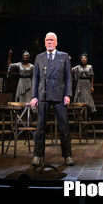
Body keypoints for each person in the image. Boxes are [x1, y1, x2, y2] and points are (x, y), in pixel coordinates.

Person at [30, 32, 73, 167]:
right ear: (44, 42)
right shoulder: (39, 58)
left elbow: (69, 77)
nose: (49, 42)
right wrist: (34, 96)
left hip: (60, 95)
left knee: (64, 126)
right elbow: (35, 78)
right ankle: (37, 155)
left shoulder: (64, 56)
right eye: (47, 40)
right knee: (40, 127)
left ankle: (67, 156)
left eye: (52, 40)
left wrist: (68, 95)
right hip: (43, 95)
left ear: (56, 42)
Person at [72, 52, 96, 116]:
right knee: (80, 96)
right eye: (82, 58)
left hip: (87, 82)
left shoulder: (90, 67)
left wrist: (92, 86)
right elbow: (71, 70)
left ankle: (88, 114)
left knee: (87, 97)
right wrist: (68, 61)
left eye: (84, 58)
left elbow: (92, 76)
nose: (83, 59)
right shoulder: (78, 67)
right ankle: (80, 114)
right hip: (80, 82)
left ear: (87, 59)